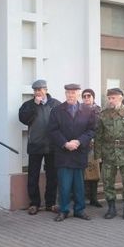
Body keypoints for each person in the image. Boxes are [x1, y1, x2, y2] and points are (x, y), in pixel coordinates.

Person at [48, 83, 96, 221]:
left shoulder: (88, 110)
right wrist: (65, 143)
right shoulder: (56, 110)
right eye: (68, 92)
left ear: (78, 93)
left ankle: (79, 210)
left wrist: (79, 141)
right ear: (65, 94)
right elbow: (52, 130)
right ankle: (63, 210)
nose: (70, 95)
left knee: (79, 185)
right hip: (63, 153)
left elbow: (91, 130)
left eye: (73, 92)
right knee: (64, 185)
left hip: (79, 152)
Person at [95, 88, 124, 220]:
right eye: (109, 98)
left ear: (121, 98)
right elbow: (98, 136)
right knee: (108, 181)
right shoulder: (103, 114)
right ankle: (111, 208)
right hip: (108, 152)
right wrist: (98, 155)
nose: (110, 101)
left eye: (113, 98)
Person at [18, 79, 61, 214]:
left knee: (52, 176)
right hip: (35, 144)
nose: (38, 92)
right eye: (35, 90)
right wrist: (34, 106)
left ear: (46, 90)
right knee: (33, 175)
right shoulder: (28, 105)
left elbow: (62, 122)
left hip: (52, 145)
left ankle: (50, 203)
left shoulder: (56, 104)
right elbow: (23, 119)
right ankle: (34, 203)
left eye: (40, 89)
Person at [81, 88, 102, 207]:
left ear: (93, 97)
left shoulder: (100, 111)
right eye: (84, 96)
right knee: (82, 174)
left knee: (95, 173)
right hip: (82, 146)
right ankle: (82, 198)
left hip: (96, 146)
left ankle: (94, 198)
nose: (86, 98)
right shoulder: (77, 110)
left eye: (89, 96)